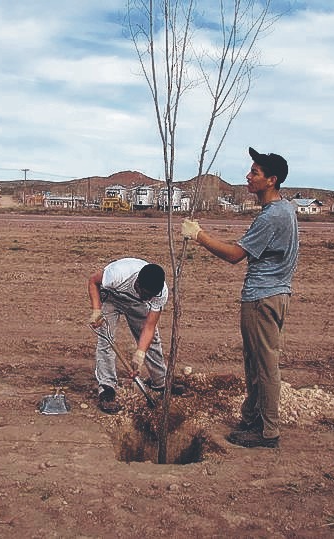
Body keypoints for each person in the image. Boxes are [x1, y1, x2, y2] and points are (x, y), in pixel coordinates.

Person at [181, 147, 299, 448]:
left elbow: (235, 255)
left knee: (264, 365)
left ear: (271, 180)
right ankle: (254, 417)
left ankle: (267, 432)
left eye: (255, 173)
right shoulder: (285, 209)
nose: (248, 177)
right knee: (256, 362)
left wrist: (199, 236)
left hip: (263, 297)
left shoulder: (272, 218)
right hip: (272, 294)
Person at [88, 258, 169, 414]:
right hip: (112, 296)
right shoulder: (117, 274)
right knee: (106, 340)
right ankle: (107, 388)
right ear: (137, 284)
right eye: (147, 295)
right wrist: (97, 311)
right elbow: (93, 281)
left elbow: (149, 326)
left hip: (136, 303)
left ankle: (160, 383)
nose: (150, 299)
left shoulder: (159, 293)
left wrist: (140, 353)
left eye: (152, 296)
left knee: (152, 342)